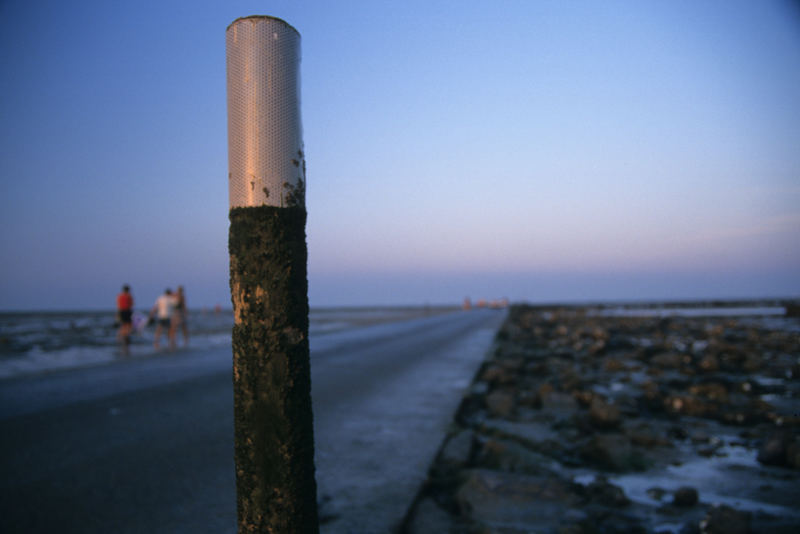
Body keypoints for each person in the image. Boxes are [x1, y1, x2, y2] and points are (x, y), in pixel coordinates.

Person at [116, 284, 134, 355]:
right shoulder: (129, 296)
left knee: (123, 325)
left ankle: (120, 338)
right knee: (128, 325)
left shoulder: (120, 296)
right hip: (127, 311)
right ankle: (125, 337)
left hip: (121, 311)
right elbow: (131, 304)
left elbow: (118, 305)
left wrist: (117, 314)